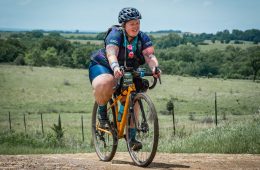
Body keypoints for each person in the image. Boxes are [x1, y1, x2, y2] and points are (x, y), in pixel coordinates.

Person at [88, 7, 160, 151]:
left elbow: (149, 56)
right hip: (105, 65)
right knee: (105, 82)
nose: (136, 26)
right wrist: (114, 67)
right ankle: (102, 114)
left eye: (137, 23)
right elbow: (111, 53)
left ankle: (131, 137)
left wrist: (154, 68)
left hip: (127, 68)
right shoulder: (116, 34)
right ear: (124, 25)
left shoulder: (142, 37)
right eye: (132, 23)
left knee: (134, 98)